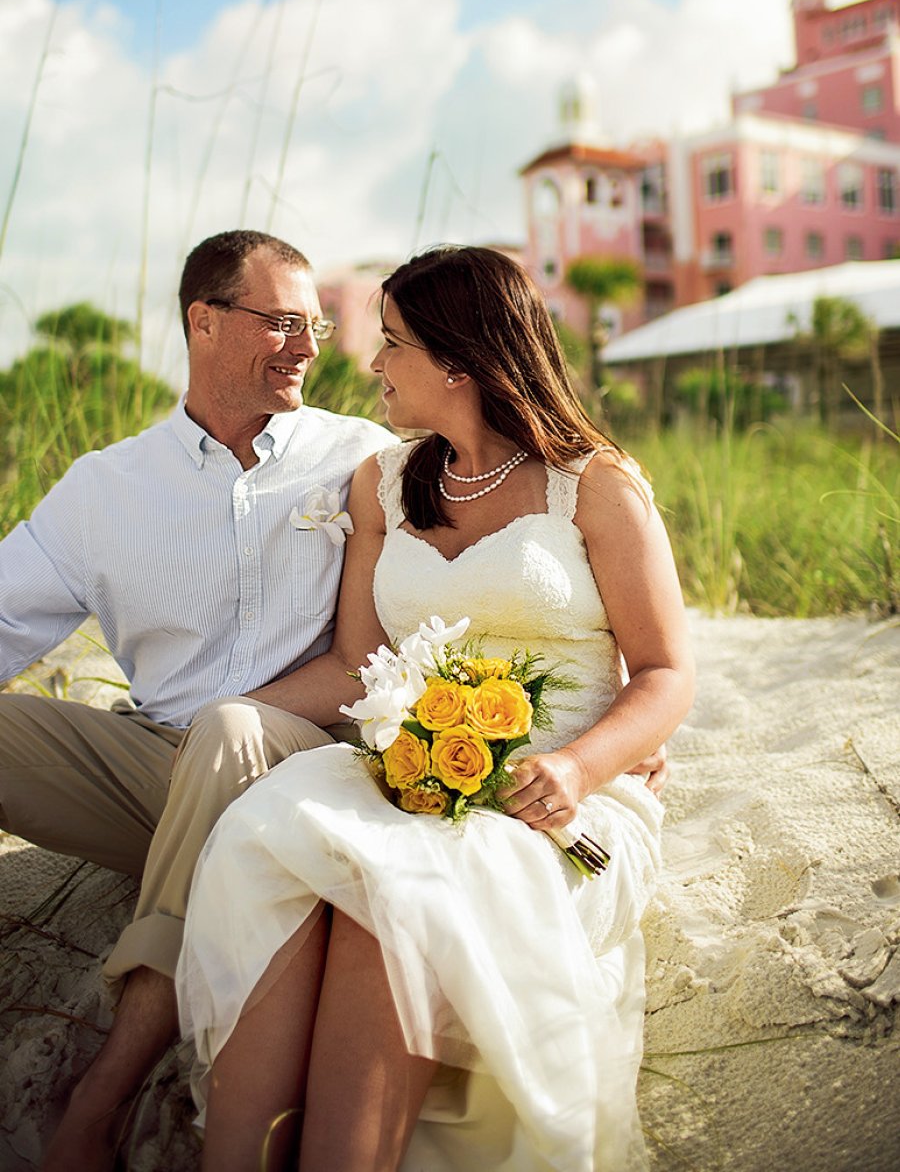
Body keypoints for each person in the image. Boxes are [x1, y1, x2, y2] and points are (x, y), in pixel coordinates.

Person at [176, 244, 694, 1172]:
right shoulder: (384, 486)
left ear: (458, 360)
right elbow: (356, 665)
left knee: (393, 896)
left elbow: (663, 674)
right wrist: (227, 712)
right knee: (294, 864)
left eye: (393, 344)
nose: (372, 365)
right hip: (406, 777)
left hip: (559, 798)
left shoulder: (595, 486)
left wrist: (580, 766)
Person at [0, 229, 393, 1172]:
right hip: (161, 775)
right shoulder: (105, 488)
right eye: (282, 324)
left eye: (317, 328)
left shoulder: (365, 456)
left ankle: (104, 1092)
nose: (305, 348)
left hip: (314, 771)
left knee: (226, 731)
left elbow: (440, 606)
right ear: (203, 321)